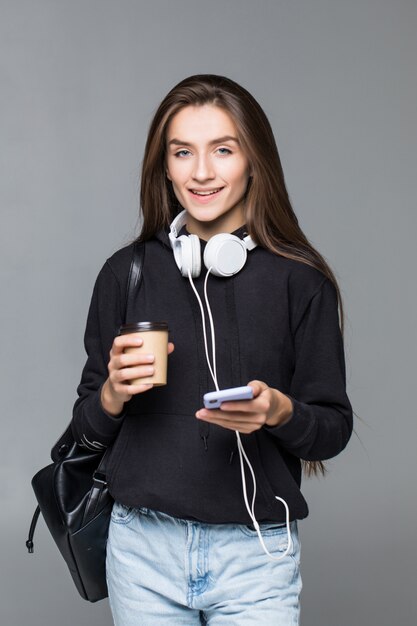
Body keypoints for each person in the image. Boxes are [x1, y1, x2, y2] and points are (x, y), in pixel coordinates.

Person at [71, 74, 353, 625]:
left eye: (222, 150)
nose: (201, 172)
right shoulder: (125, 274)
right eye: (183, 152)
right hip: (141, 551)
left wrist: (279, 411)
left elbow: (333, 428)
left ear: (254, 161)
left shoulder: (302, 283)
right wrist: (109, 395)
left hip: (255, 557)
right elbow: (82, 430)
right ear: (166, 166)